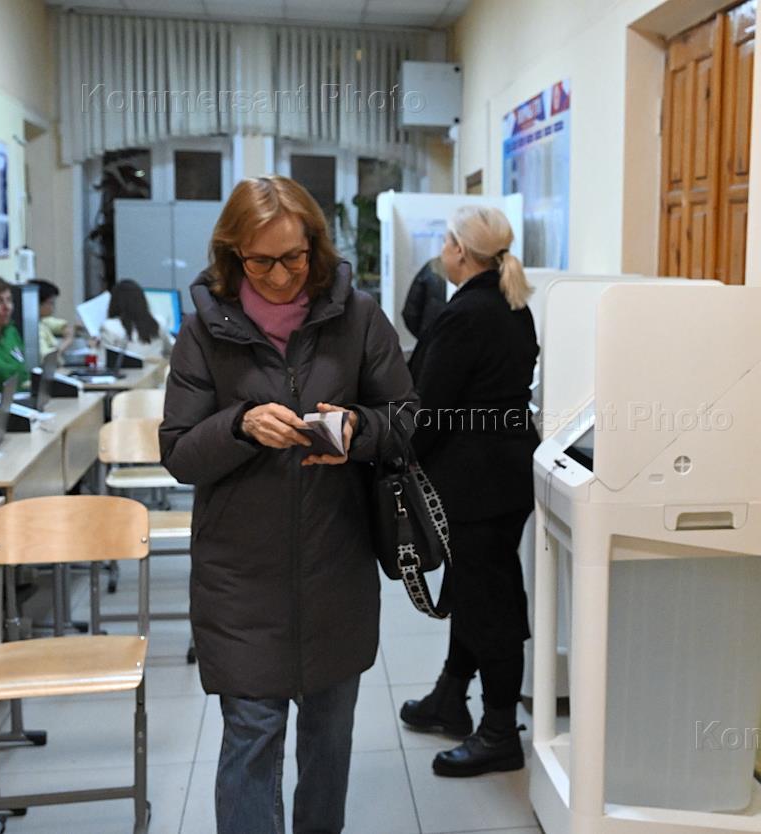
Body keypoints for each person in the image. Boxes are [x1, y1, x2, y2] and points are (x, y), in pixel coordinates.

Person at [158, 175, 417, 834]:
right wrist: (240, 425)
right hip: (240, 581)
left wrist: (358, 429)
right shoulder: (205, 330)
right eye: (260, 261)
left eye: (293, 258)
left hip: (336, 569)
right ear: (233, 255)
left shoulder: (358, 317)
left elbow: (406, 417)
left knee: (328, 743)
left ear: (315, 247)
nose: (278, 276)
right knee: (250, 741)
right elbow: (180, 452)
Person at [399, 206, 540, 777]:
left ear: (460, 250)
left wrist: (399, 458)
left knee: (490, 603)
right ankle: (450, 697)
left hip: (475, 483)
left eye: (446, 241)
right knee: (475, 587)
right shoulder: (512, 305)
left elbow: (430, 409)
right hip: (506, 472)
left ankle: (499, 733)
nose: (442, 250)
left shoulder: (465, 314)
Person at [99, 279, 173, 360]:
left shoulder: (109, 327)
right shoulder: (159, 323)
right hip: (156, 368)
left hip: (127, 368)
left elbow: (103, 360)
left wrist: (94, 348)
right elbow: (172, 351)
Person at [401, 256, 448, 340]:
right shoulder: (432, 268)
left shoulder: (432, 267)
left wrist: (424, 339)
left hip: (432, 339)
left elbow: (410, 313)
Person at [28, 278, 75, 358]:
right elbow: (46, 358)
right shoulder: (33, 330)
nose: (53, 307)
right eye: (51, 303)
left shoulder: (42, 320)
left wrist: (69, 328)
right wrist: (67, 341)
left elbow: (59, 324)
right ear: (38, 303)